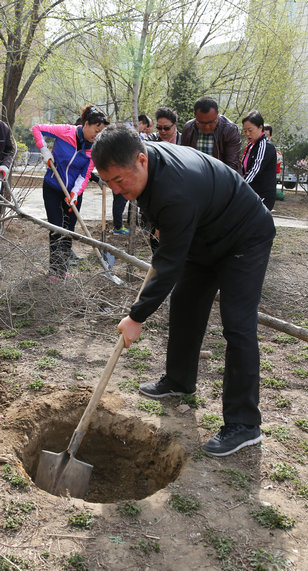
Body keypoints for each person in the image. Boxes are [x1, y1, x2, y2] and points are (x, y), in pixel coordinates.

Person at [92, 124, 275, 456]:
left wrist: (137, 316)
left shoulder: (175, 188)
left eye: (120, 180)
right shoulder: (146, 166)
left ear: (141, 160)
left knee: (237, 324)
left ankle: (244, 424)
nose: (117, 190)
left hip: (245, 236)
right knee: (186, 303)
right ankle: (179, 380)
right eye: (109, 183)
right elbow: (163, 236)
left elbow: (170, 263)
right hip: (205, 234)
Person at [32, 105, 109, 280]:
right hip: (52, 187)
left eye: (101, 133)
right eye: (96, 130)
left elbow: (85, 174)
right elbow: (37, 129)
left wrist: (74, 194)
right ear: (86, 123)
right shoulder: (65, 131)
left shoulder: (93, 148)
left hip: (73, 193)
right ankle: (54, 270)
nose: (97, 136)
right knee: (56, 228)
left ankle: (64, 268)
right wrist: (44, 151)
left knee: (69, 230)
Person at [146, 106, 181, 251]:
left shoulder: (185, 141)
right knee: (156, 239)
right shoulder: (151, 142)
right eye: (159, 128)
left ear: (175, 125)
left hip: (180, 197)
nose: (162, 132)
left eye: (166, 128)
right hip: (157, 198)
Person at [181, 97, 242, 174]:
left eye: (211, 122)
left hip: (223, 176)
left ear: (217, 114)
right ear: (195, 115)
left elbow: (232, 165)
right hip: (196, 176)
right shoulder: (188, 128)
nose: (207, 127)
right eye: (202, 123)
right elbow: (183, 158)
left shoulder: (229, 129)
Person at [241, 110, 277, 211]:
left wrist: (239, 186)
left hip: (262, 196)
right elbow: (243, 168)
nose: (247, 134)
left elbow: (255, 170)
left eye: (250, 130)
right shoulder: (251, 145)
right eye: (245, 131)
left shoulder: (264, 145)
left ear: (260, 127)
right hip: (250, 193)